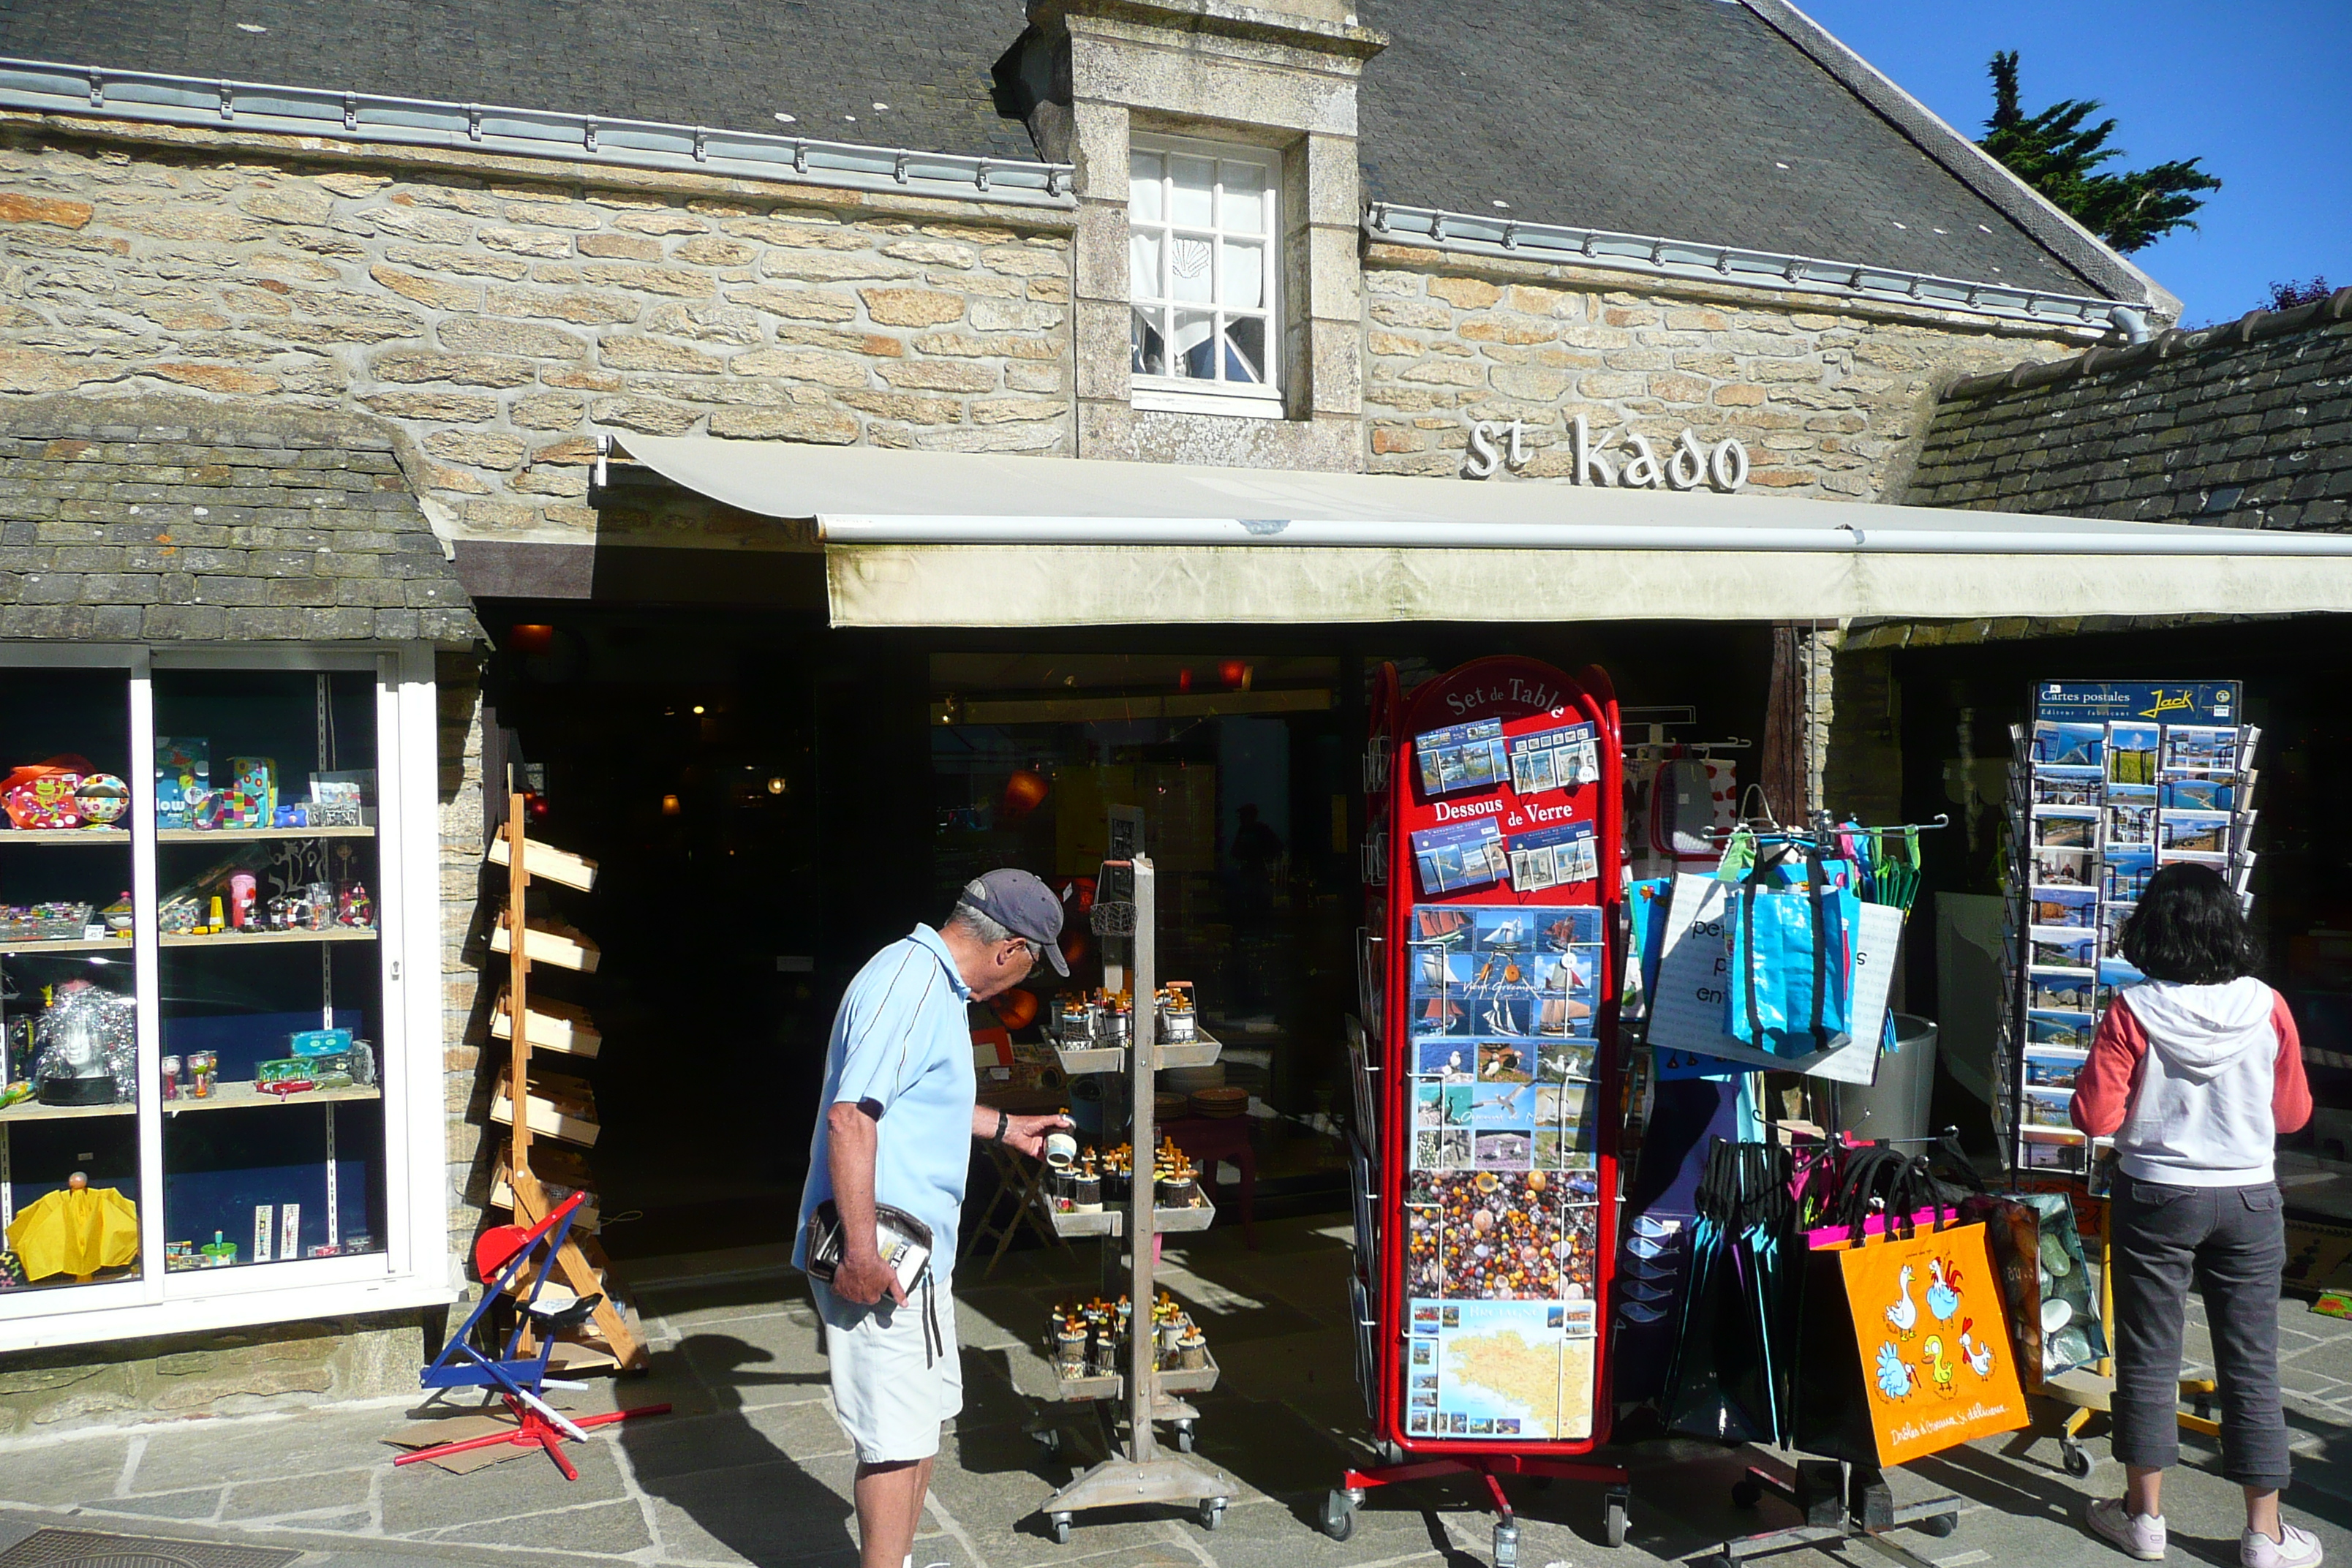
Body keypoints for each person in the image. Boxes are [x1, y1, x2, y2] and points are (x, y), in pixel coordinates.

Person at [795, 870, 1074, 1568]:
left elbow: (914, 1100)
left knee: (917, 1429)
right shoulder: (912, 987)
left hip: (912, 1250)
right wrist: (862, 1254)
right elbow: (851, 1116)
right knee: (893, 1440)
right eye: (1029, 967)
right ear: (1010, 950)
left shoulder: (929, 981)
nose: (1019, 985)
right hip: (885, 1251)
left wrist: (1005, 1126)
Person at [2069, 862, 2317, 1567]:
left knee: (2148, 1357)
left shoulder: (2132, 1008)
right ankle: (2264, 1536)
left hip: (2155, 1197)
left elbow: (2095, 1116)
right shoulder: (2268, 1005)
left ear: (2151, 927)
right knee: (2252, 1360)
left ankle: (2143, 1520)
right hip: (2247, 1198)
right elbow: (2293, 1113)